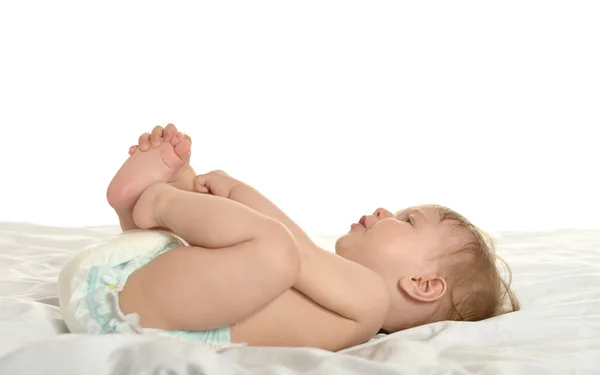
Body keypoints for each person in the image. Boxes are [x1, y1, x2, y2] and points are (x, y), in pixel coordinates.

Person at [58, 123, 520, 352]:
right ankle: (148, 207)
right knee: (251, 254)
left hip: (137, 312)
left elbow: (289, 244)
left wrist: (239, 193)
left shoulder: (369, 300)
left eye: (407, 220)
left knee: (273, 252)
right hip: (144, 294)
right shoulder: (338, 297)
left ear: (422, 284)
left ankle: (158, 201)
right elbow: (291, 246)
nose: (384, 210)